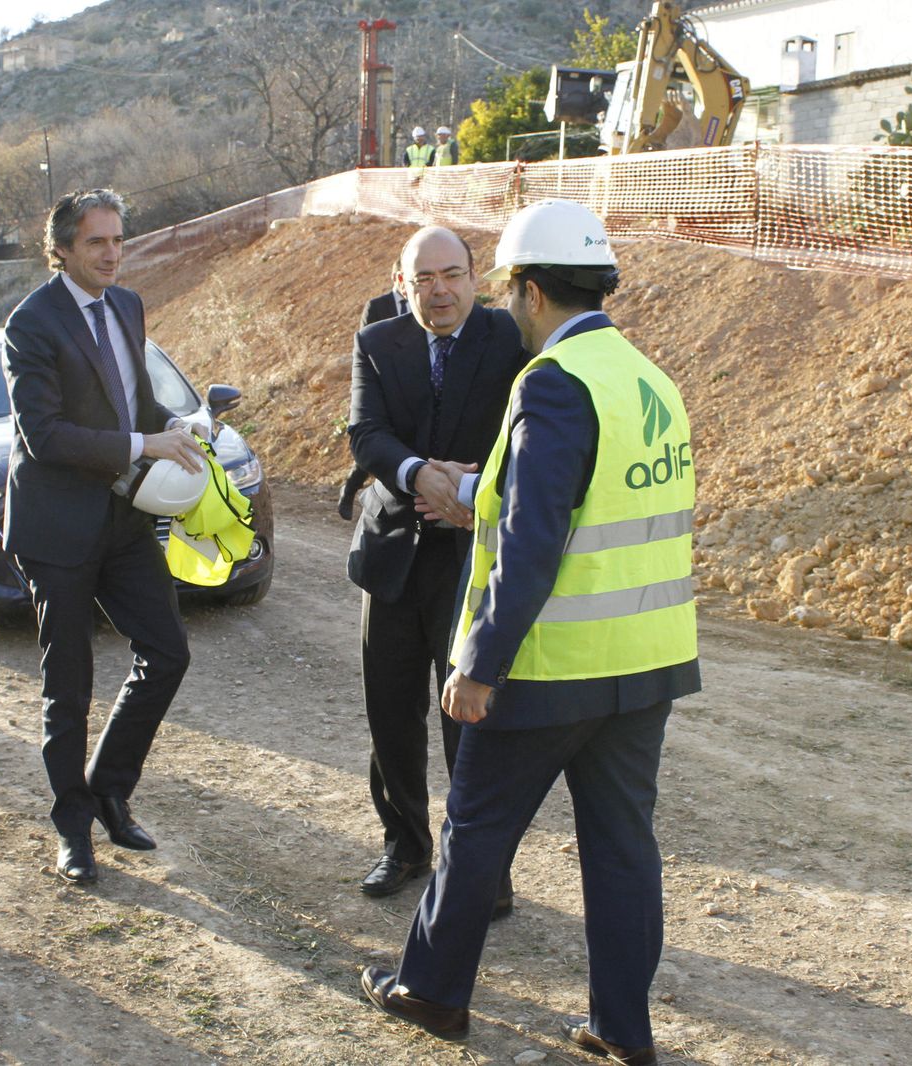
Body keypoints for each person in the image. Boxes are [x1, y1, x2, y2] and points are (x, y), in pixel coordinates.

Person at [360, 201, 700, 1064]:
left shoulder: (552, 382)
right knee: (623, 852)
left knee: (476, 831)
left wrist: (480, 662)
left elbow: (534, 539)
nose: (508, 307)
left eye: (509, 290)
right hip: (647, 663)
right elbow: (591, 506)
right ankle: (623, 1029)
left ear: (533, 292)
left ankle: (433, 992)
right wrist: (481, 496)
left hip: (553, 666)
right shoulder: (649, 381)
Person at [1, 188, 204, 885]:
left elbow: (132, 401)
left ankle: (109, 789)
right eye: (96, 242)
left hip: (123, 519)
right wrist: (143, 443)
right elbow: (45, 435)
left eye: (118, 239)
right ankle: (73, 828)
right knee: (69, 685)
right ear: (61, 249)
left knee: (167, 653)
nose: (113, 253)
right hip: (56, 526)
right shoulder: (30, 323)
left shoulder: (127, 305)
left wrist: (171, 426)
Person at [346, 225, 527, 905]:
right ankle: (404, 845)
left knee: (471, 721)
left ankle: (481, 865)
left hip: (471, 560)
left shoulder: (511, 338)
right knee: (391, 715)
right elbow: (367, 434)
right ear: (403, 284)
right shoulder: (377, 342)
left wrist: (477, 494)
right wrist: (420, 473)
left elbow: (527, 432)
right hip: (393, 558)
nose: (439, 290)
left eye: (451, 275)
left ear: (475, 279)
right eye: (423, 279)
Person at [339, 260, 410, 521]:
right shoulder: (377, 306)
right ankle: (350, 489)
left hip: (410, 389)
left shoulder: (421, 306)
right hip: (382, 387)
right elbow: (366, 348)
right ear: (396, 277)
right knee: (375, 443)